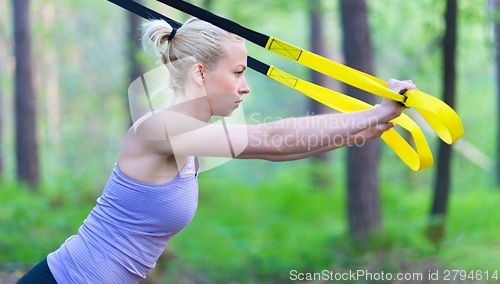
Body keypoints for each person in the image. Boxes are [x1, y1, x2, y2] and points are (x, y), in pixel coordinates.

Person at [17, 17, 416, 284]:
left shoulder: (189, 132)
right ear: (201, 72)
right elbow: (271, 139)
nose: (245, 87)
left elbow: (283, 151)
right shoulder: (161, 128)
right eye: (239, 73)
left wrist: (373, 124)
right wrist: (373, 113)